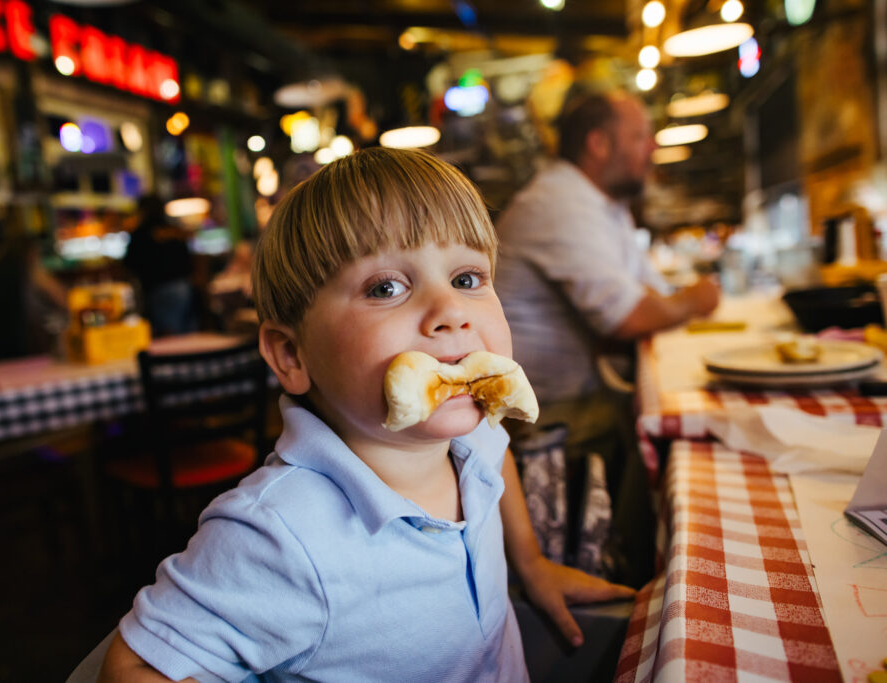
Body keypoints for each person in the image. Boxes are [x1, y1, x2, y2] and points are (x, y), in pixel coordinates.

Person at [94, 148, 633, 682]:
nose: (450, 313)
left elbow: (494, 460)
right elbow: (133, 665)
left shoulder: (473, 431)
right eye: (386, 288)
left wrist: (530, 565)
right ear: (292, 355)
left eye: (467, 279)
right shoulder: (280, 535)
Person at [494, 90, 720, 586]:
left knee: (686, 435)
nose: (652, 149)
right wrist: (698, 299)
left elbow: (653, 293)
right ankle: (640, 586)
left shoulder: (605, 206)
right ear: (598, 144)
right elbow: (632, 315)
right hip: (544, 419)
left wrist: (672, 302)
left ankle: (652, 573)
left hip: (579, 401)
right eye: (640, 136)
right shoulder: (560, 202)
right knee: (687, 457)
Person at [123, 194, 198, 336]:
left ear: (143, 210)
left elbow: (130, 262)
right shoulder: (173, 229)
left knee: (169, 336)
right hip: (184, 286)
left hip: (159, 289)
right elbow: (188, 257)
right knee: (187, 333)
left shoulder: (141, 233)